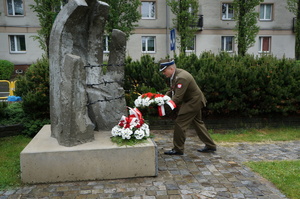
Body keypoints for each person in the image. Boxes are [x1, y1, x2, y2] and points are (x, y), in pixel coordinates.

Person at [159, 59, 216, 155]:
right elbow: (172, 90)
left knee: (180, 123)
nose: (163, 73)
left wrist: (165, 106)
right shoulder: (175, 75)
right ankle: (210, 146)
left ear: (171, 68)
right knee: (198, 123)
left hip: (193, 102)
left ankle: (178, 149)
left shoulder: (181, 78)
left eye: (164, 71)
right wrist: (161, 98)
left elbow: (178, 97)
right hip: (193, 100)